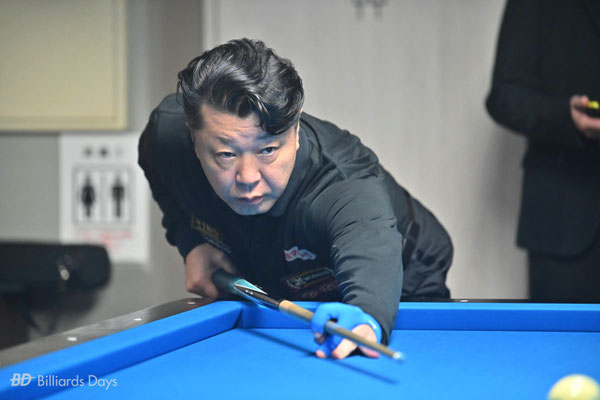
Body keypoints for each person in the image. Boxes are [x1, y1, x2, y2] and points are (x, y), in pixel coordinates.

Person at [139, 38, 453, 359]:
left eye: (267, 150)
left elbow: (369, 245)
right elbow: (165, 183)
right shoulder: (167, 138)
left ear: (296, 129)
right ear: (193, 137)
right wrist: (191, 242)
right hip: (278, 264)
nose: (248, 178)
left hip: (403, 267)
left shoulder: (340, 182)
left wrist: (367, 315)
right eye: (226, 154)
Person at [486, 0, 600, 301]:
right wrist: (565, 118)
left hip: (566, 223)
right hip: (567, 217)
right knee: (562, 330)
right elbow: (503, 96)